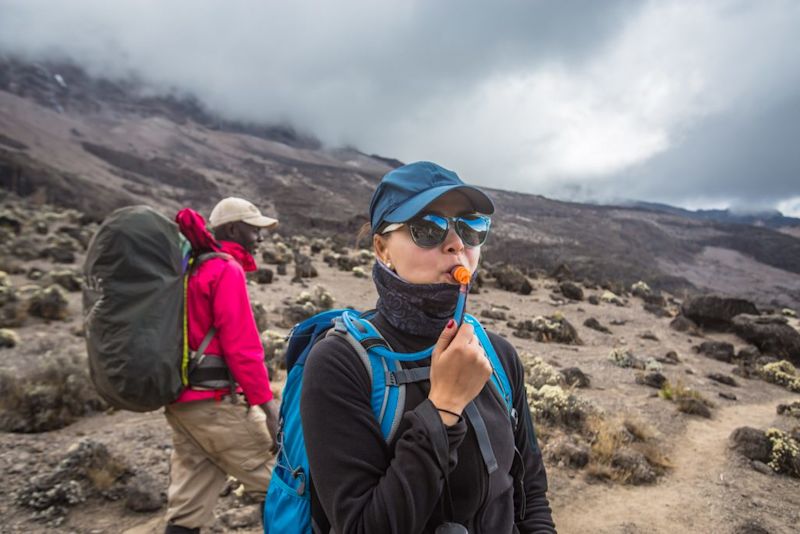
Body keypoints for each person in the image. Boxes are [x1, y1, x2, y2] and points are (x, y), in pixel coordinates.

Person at [301, 162, 556, 533]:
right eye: (427, 228)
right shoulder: (340, 364)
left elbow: (529, 485)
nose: (457, 244)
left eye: (470, 227)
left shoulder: (498, 355)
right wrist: (443, 409)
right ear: (382, 248)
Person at [164, 197, 281, 534]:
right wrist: (266, 405)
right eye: (254, 229)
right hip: (214, 405)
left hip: (182, 404)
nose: (260, 238)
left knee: (188, 506)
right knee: (281, 484)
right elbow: (242, 347)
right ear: (232, 228)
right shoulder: (223, 269)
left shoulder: (190, 267)